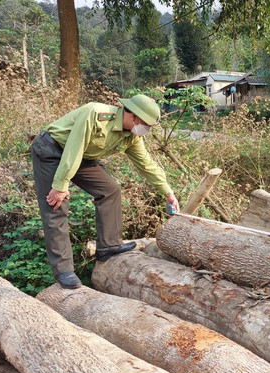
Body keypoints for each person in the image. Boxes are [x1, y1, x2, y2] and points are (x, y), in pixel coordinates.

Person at [31, 94, 179, 289]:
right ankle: (64, 271)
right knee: (56, 206)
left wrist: (167, 192)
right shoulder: (95, 114)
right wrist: (60, 186)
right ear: (134, 117)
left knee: (110, 190)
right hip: (52, 150)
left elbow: (146, 165)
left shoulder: (131, 135)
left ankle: (108, 246)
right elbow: (73, 149)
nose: (147, 130)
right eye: (147, 125)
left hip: (81, 157)